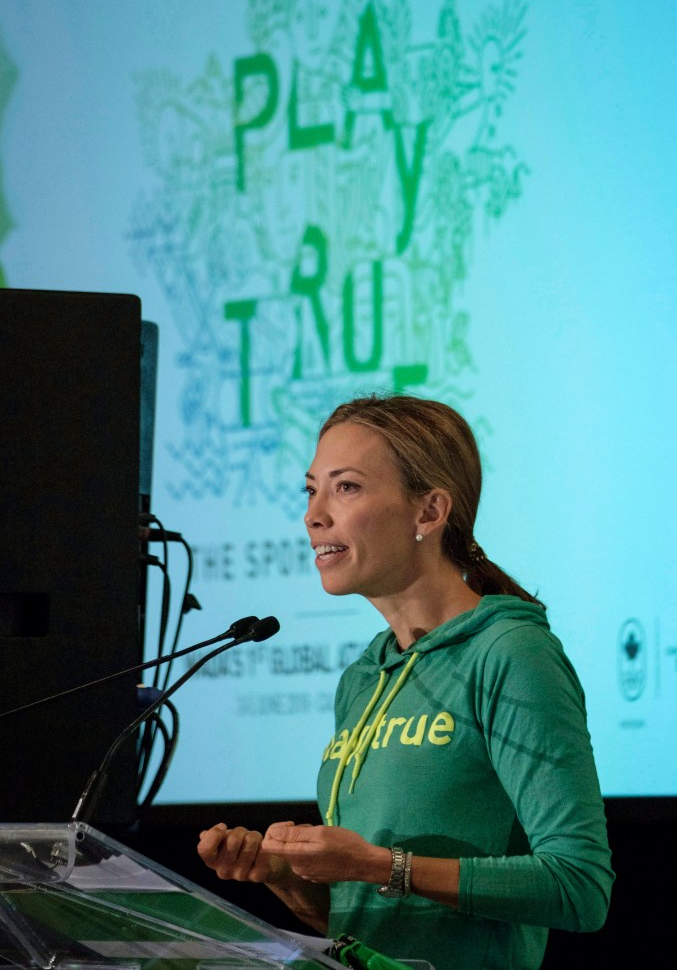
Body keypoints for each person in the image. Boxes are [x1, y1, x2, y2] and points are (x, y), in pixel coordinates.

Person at [198, 393, 614, 969]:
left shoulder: (510, 653)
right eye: (310, 489)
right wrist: (283, 877)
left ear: (429, 511)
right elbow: (370, 922)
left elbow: (579, 888)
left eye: (345, 487)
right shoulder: (363, 679)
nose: (314, 514)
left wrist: (378, 865)